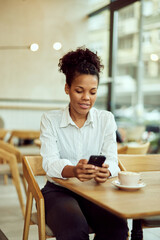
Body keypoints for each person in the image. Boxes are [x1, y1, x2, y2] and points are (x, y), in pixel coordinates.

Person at [40, 46, 128, 240]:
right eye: (79, 90)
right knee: (74, 229)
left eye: (93, 92)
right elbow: (49, 163)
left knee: (117, 228)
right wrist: (73, 170)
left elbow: (113, 160)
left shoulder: (106, 119)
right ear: (67, 88)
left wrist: (107, 170)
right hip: (59, 189)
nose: (86, 98)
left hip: (94, 189)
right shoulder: (50, 119)